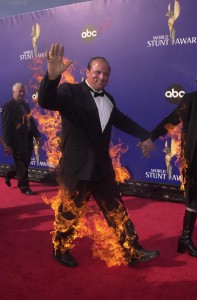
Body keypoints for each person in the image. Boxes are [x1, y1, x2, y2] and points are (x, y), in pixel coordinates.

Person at [38, 43, 159, 267]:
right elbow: (46, 101)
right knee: (69, 213)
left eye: (105, 74)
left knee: (116, 211)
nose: (101, 77)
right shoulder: (70, 91)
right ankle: (60, 249)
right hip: (76, 167)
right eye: (97, 72)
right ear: (87, 71)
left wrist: (145, 135)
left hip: (102, 168)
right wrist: (52, 77)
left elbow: (121, 120)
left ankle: (132, 250)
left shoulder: (109, 98)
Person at [144, 90, 197, 258]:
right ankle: (185, 238)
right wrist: (150, 137)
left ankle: (184, 239)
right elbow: (171, 121)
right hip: (194, 158)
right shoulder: (190, 99)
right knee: (194, 198)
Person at [1, 82, 41, 195]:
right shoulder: (7, 107)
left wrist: (36, 135)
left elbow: (31, 122)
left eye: (23, 91)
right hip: (16, 141)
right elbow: (5, 127)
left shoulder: (25, 105)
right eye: (19, 91)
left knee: (25, 163)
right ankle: (24, 187)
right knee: (22, 163)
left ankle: (9, 173)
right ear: (13, 92)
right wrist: (7, 145)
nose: (22, 93)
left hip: (27, 139)